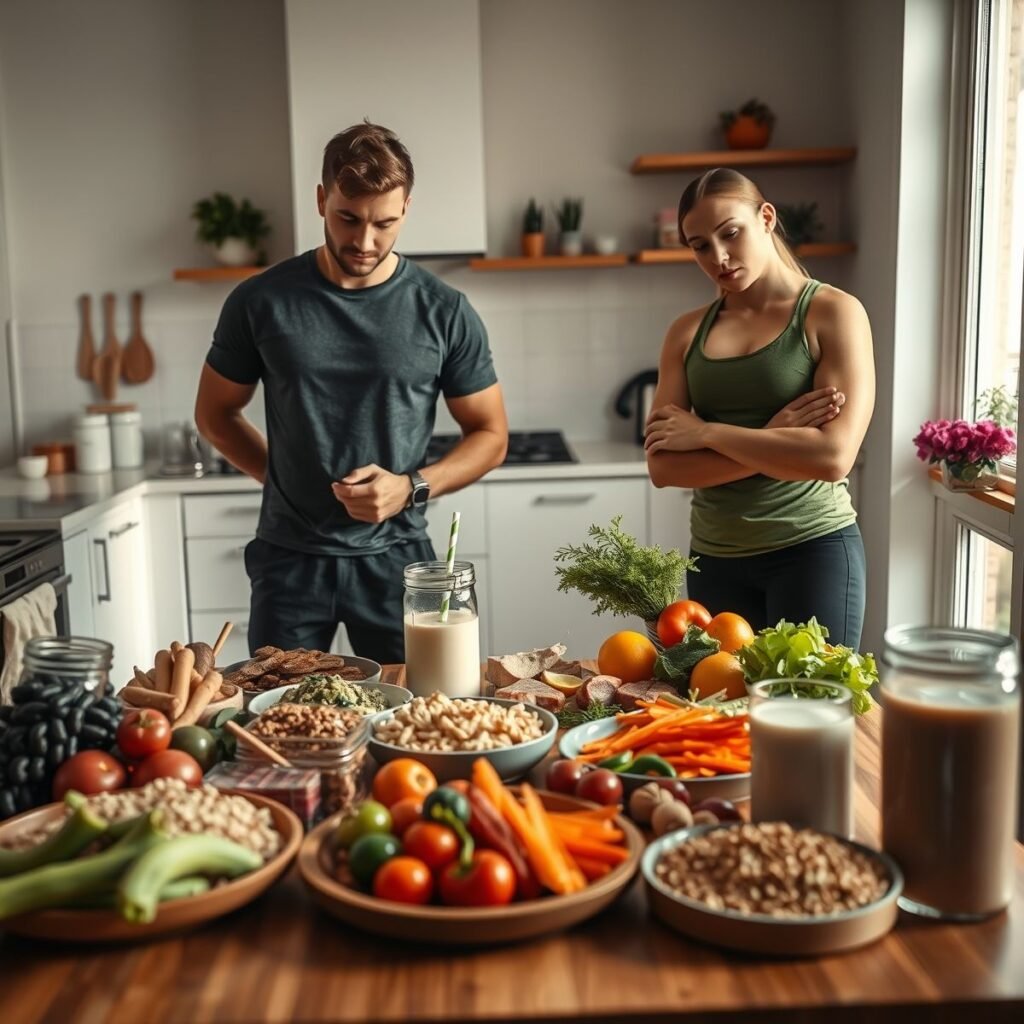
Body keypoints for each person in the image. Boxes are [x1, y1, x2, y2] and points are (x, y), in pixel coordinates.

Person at [195, 121, 508, 663]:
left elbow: (491, 434)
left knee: (413, 706)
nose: (365, 242)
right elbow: (215, 415)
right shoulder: (260, 302)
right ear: (322, 200)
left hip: (398, 558)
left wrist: (410, 487)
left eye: (385, 223)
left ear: (406, 208)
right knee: (280, 708)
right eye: (348, 218)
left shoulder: (444, 310)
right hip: (290, 561)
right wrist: (283, 477)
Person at [644, 168, 874, 649]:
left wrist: (707, 433)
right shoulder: (686, 332)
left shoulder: (833, 312)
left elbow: (832, 458)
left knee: (810, 696)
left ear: (766, 218)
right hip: (714, 560)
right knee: (724, 697)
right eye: (700, 246)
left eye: (730, 233)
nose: (719, 257)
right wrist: (775, 438)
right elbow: (664, 467)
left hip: (811, 550)